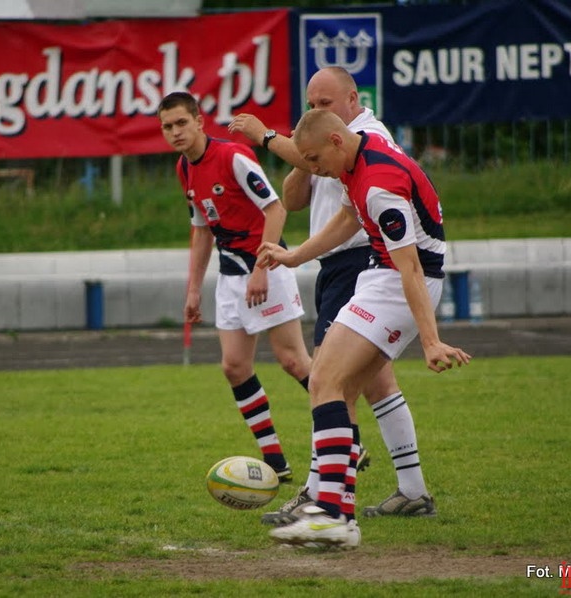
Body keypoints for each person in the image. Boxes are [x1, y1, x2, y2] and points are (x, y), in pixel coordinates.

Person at [230, 66, 437, 524]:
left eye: (325, 104)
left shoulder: (366, 131)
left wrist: (267, 138)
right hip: (335, 263)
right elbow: (295, 198)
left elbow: (367, 229)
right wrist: (301, 159)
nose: (317, 111)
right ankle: (411, 489)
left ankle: (320, 493)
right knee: (374, 383)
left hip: (359, 260)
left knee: (327, 378)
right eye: (311, 104)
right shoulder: (321, 143)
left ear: (351, 99)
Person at [259, 109, 471, 548]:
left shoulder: (379, 185)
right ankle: (339, 518)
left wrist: (429, 341)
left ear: (337, 141)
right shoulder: (359, 161)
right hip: (382, 276)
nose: (313, 170)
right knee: (337, 387)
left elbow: (411, 266)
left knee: (325, 379)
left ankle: (333, 515)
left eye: (315, 160)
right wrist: (294, 256)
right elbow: (345, 221)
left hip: (396, 282)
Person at [158, 91, 312, 482]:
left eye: (180, 123)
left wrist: (263, 266)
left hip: (267, 268)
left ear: (198, 122)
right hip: (230, 276)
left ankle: (347, 439)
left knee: (293, 361)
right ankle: (276, 461)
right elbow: (202, 228)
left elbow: (275, 208)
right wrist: (193, 288)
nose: (175, 132)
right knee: (234, 367)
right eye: (167, 127)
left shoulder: (234, 157)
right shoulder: (184, 169)